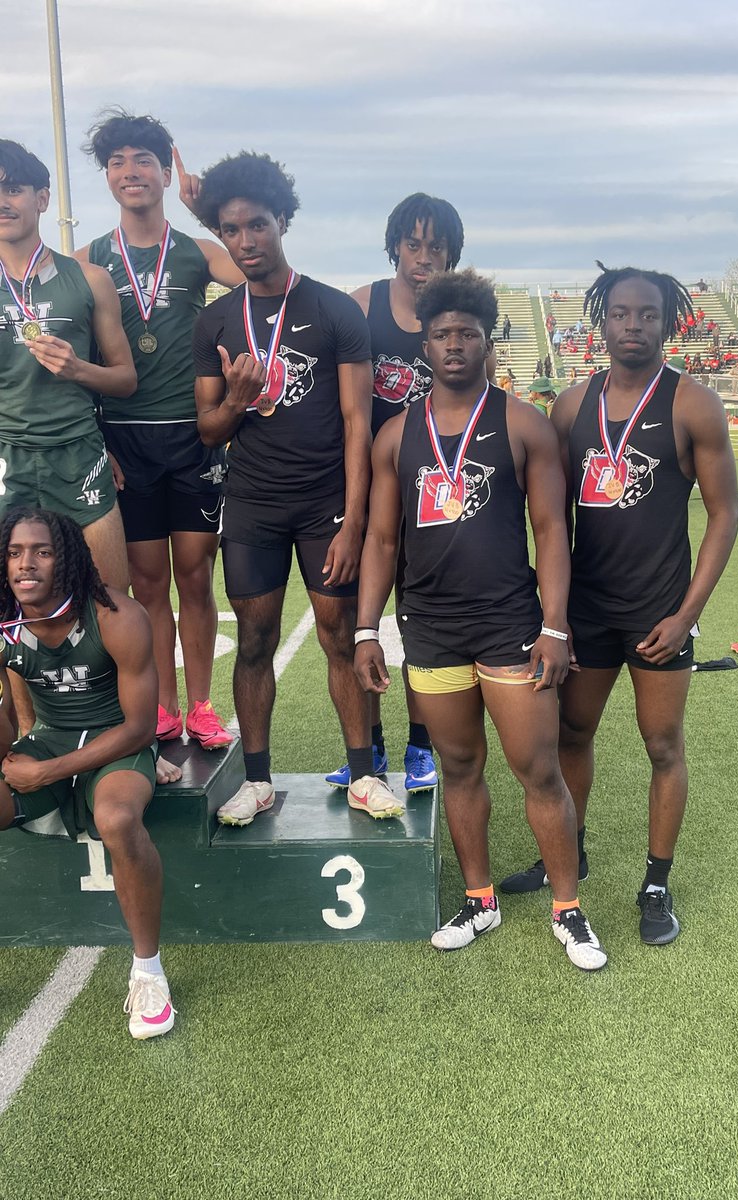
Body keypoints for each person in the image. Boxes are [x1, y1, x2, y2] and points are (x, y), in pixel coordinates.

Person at [354, 268, 606, 969]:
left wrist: (556, 625)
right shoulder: (394, 437)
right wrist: (366, 628)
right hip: (430, 628)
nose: (455, 344)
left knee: (538, 769)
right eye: (441, 334)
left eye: (468, 333)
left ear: (487, 341)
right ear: (425, 344)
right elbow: (381, 540)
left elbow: (552, 530)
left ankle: (568, 909)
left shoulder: (520, 422)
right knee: (459, 766)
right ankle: (480, 899)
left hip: (508, 624)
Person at [500, 262, 738, 949]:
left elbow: (724, 516)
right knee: (571, 736)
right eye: (621, 314)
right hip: (588, 613)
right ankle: (567, 856)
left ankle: (657, 880)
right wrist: (557, 613)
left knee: (663, 745)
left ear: (670, 323)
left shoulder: (693, 405)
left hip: (661, 611)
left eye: (648, 315)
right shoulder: (570, 407)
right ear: (599, 321)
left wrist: (687, 615)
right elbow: (550, 522)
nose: (634, 326)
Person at [191, 152, 392, 824]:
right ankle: (256, 779)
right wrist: (240, 399)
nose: (245, 242)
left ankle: (364, 774)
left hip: (326, 504)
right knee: (254, 639)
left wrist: (353, 524)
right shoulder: (215, 324)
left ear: (283, 220)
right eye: (230, 231)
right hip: (252, 504)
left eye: (256, 225)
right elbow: (209, 429)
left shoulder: (333, 309)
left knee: (339, 636)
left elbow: (359, 424)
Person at [77, 110, 243, 757]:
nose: (130, 171)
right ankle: (166, 710)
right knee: (147, 585)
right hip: (124, 443)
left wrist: (208, 218)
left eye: (142, 159)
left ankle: (202, 706)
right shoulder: (87, 261)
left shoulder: (198, 253)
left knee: (196, 578)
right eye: (117, 161)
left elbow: (262, 277)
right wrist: (96, 444)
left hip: (195, 437)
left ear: (164, 171)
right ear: (109, 177)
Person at [0, 507, 174, 1038]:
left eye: (42, 552)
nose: (24, 565)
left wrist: (47, 771)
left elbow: (141, 727)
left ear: (68, 560)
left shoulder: (117, 616)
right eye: (13, 553)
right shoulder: (5, 619)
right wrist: (13, 761)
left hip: (115, 738)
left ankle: (149, 973)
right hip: (47, 736)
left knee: (118, 818)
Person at [0, 139, 136, 741]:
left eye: (14, 188)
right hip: (6, 458)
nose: (3, 201)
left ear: (41, 198)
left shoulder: (88, 278)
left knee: (110, 600)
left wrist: (77, 369)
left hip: (78, 453)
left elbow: (126, 378)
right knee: (10, 608)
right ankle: (31, 734)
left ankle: (127, 734)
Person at [331, 194, 466, 794]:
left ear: (452, 254)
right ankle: (371, 750)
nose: (423, 257)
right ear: (395, 246)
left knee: (419, 626)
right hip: (367, 488)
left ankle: (418, 746)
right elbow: (346, 410)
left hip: (431, 492)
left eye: (436, 247)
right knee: (355, 623)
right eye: (413, 244)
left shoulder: (457, 317)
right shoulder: (362, 306)